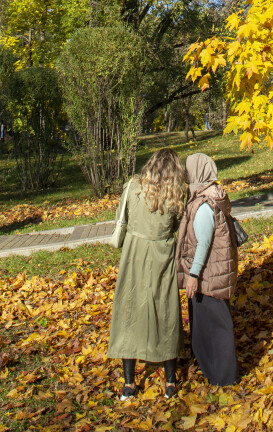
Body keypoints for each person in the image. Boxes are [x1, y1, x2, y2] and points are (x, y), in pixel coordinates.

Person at [108, 148, 187, 400]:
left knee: (129, 312)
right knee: (166, 313)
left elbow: (123, 216)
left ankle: (129, 384)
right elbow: (175, 226)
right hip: (162, 255)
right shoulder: (176, 195)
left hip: (133, 253)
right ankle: (170, 383)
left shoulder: (133, 186)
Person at [176, 152, 240, 386]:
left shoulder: (203, 204)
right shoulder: (210, 195)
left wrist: (193, 275)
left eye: (188, 170)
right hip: (214, 274)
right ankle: (212, 370)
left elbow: (203, 243)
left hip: (208, 276)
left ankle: (224, 376)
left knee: (215, 327)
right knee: (209, 325)